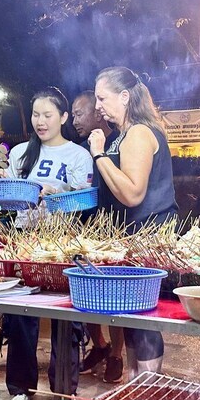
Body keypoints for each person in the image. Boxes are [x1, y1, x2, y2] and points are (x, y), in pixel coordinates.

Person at [1, 87, 94, 400]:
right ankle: (21, 386)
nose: (40, 122)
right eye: (36, 115)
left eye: (48, 115)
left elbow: (84, 200)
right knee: (21, 314)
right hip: (26, 237)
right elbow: (9, 202)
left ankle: (63, 389)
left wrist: (59, 192)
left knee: (66, 314)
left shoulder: (78, 155)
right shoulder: (20, 153)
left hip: (64, 239)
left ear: (64, 117)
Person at [88, 66, 178, 378]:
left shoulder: (139, 133)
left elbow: (132, 194)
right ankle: (135, 387)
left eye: (102, 97)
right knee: (132, 320)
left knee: (144, 322)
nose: (97, 105)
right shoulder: (122, 136)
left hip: (148, 238)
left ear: (125, 97)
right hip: (130, 239)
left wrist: (99, 155)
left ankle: (149, 390)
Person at [71, 90, 125, 383]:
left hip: (115, 226)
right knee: (87, 292)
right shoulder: (79, 149)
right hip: (84, 227)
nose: (75, 120)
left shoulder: (119, 142)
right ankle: (99, 345)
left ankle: (116, 353)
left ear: (97, 111)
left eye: (79, 113)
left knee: (114, 294)